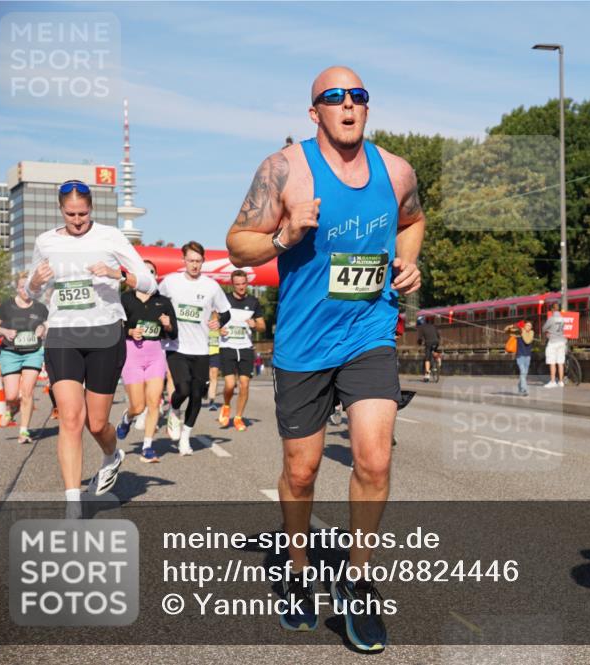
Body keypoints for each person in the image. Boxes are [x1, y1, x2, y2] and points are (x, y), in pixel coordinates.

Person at [226, 66, 424, 652]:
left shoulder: (396, 171)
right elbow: (239, 242)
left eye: (357, 97)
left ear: (367, 108)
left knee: (374, 458)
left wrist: (408, 262)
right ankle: (294, 567)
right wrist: (284, 235)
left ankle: (358, 581)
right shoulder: (283, 168)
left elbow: (413, 221)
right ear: (314, 112)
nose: (347, 105)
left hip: (369, 332)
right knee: (302, 470)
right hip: (304, 342)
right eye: (333, 98)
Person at [26, 179, 156, 517]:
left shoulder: (110, 237)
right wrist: (36, 281)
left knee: (96, 424)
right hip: (63, 333)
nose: (77, 220)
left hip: (104, 334)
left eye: (83, 214)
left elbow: (148, 280)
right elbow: (31, 287)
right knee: (71, 417)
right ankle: (73, 505)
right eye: (70, 214)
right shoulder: (46, 241)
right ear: (60, 210)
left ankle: (112, 455)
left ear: (91, 209)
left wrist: (117, 272)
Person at [158, 241, 231, 456]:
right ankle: (174, 409)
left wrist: (220, 322)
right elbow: (157, 303)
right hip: (176, 345)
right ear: (184, 260)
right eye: (190, 260)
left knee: (197, 395)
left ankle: (185, 438)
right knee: (183, 389)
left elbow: (226, 311)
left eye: (198, 261)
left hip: (201, 348)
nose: (194, 265)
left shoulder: (211, 286)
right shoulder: (170, 282)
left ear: (203, 262)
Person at [116, 260, 176, 462]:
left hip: (155, 355)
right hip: (132, 354)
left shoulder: (164, 301)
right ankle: (127, 418)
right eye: (144, 272)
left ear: (156, 276)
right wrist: (130, 331)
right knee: (138, 406)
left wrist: (167, 326)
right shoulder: (125, 299)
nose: (148, 275)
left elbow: (173, 333)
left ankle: (148, 446)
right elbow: (114, 327)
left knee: (154, 403)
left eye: (152, 272)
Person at [0, 273, 49, 443]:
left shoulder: (40, 307)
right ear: (17, 287)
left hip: (33, 352)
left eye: (28, 287)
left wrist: (41, 329)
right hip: (10, 352)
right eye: (22, 286)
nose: (25, 290)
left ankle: (24, 430)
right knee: (12, 394)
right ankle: (12, 407)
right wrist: (5, 331)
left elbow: (46, 325)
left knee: (28, 392)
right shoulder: (7, 306)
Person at [218, 269, 265, 431]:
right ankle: (225, 405)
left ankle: (238, 417)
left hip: (245, 347)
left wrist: (255, 325)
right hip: (227, 346)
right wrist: (219, 329)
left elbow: (262, 325)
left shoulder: (253, 302)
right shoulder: (224, 300)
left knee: (244, 384)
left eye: (243, 284)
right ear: (232, 285)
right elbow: (213, 320)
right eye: (237, 284)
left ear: (247, 283)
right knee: (230, 385)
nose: (241, 287)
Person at [505, 320, 534, 395]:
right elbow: (506, 331)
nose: (528, 327)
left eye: (530, 326)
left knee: (524, 373)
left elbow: (527, 341)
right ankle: (524, 389)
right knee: (523, 372)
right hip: (520, 355)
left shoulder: (531, 333)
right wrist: (511, 326)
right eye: (527, 325)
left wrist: (522, 331)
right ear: (524, 326)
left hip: (528, 356)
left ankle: (519, 386)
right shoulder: (518, 333)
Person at [542, 301, 567, 387]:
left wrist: (548, 332)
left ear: (552, 309)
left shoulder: (551, 319)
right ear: (558, 309)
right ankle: (561, 381)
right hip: (562, 342)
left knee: (552, 362)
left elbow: (544, 328)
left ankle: (553, 382)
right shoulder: (562, 319)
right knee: (560, 363)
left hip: (553, 342)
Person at [415, 315, 440, 381]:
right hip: (436, 341)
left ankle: (427, 375)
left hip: (428, 343)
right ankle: (438, 359)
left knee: (427, 359)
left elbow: (420, 338)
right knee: (435, 351)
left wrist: (419, 343)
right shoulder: (432, 325)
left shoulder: (421, 327)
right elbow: (438, 334)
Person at [206, 324, 221, 411]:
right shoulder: (203, 321)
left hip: (215, 352)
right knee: (205, 377)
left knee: (214, 376)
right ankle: (204, 388)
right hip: (204, 352)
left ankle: (212, 401)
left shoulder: (221, 324)